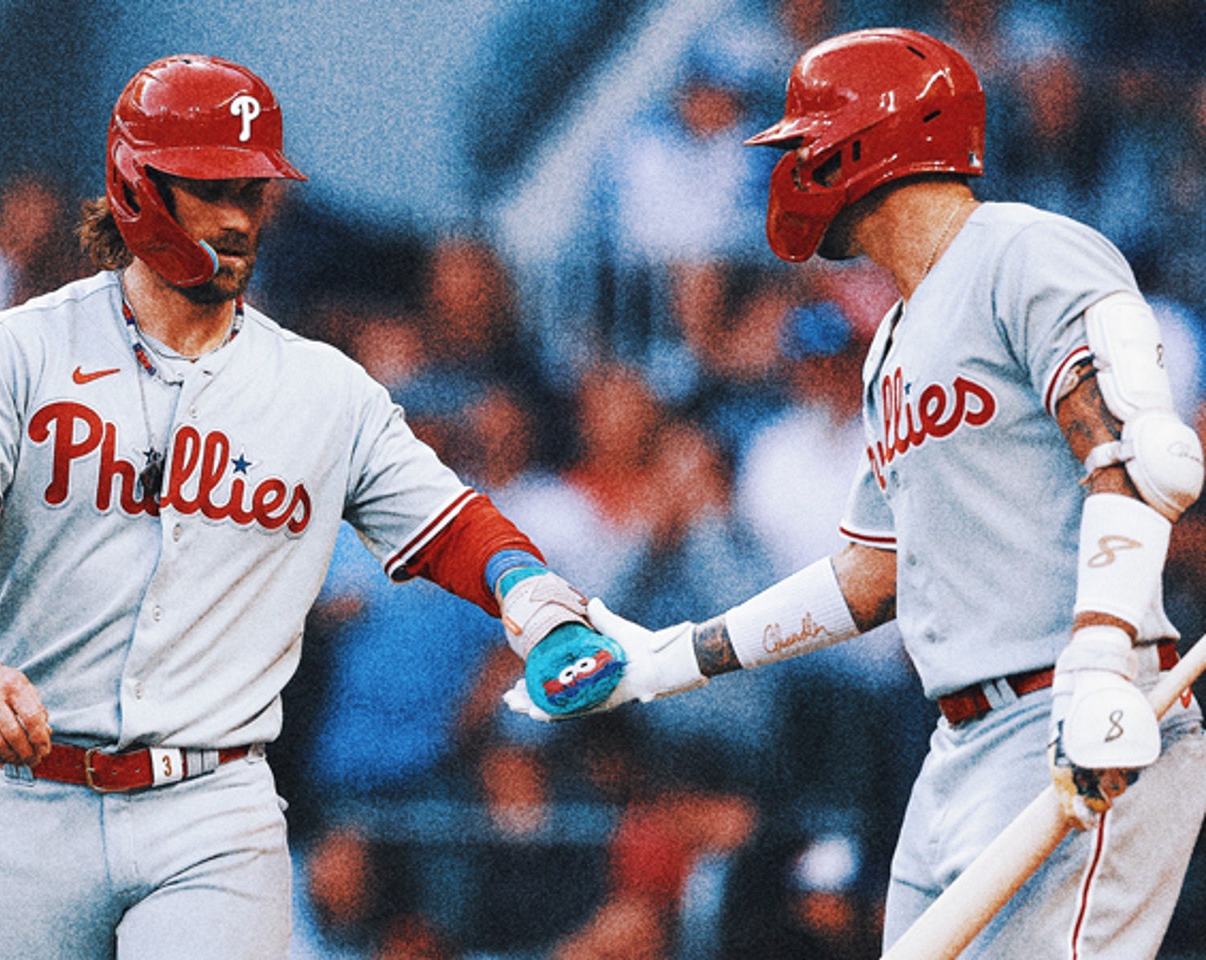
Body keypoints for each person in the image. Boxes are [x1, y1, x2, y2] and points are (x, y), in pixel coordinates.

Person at [506, 28, 1206, 959]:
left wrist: (1103, 653)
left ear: (875, 138)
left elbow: (1126, 455)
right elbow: (868, 578)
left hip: (1079, 706)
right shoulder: (890, 343)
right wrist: (664, 660)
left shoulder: (1027, 249)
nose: (794, 164)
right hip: (958, 740)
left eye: (809, 140)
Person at [0, 54, 618, 960]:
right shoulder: (19, 352)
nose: (241, 217)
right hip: (38, 795)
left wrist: (528, 595)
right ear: (138, 187)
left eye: (253, 190)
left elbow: (451, 522)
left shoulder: (318, 385)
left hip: (214, 804)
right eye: (214, 189)